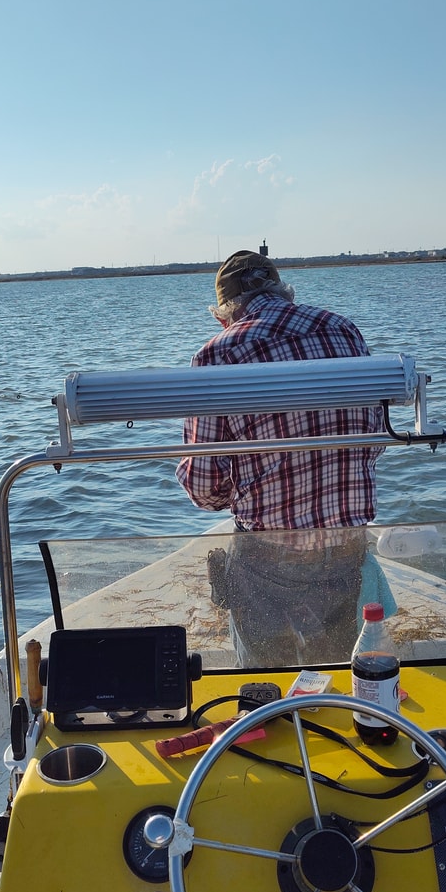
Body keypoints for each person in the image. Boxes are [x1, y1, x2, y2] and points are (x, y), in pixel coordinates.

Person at [176, 250, 385, 665]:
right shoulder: (343, 331)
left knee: (263, 686)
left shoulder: (216, 355)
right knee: (336, 672)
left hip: (267, 558)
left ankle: (270, 712)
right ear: (285, 294)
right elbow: (374, 441)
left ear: (224, 315)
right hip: (346, 546)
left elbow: (204, 490)